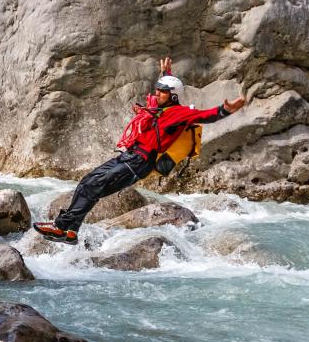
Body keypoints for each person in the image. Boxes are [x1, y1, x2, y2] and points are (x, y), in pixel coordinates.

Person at [34, 58, 246, 245]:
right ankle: (71, 232)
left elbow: (205, 115)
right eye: (158, 89)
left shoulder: (179, 113)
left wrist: (225, 110)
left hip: (140, 162)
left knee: (94, 185)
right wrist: (166, 74)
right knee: (87, 182)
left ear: (172, 96)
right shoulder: (158, 107)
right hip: (129, 155)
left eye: (161, 91)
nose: (156, 94)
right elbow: (166, 90)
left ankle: (62, 228)